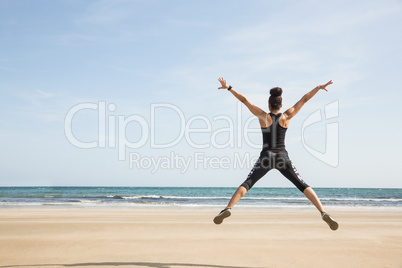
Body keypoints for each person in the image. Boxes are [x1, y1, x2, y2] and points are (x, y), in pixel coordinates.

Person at [213, 77, 338, 231]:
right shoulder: (287, 116)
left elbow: (245, 100)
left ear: (269, 104)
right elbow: (304, 99)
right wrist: (318, 87)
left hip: (266, 157)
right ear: (281, 105)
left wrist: (229, 88)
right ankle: (323, 212)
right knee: (302, 184)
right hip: (282, 158)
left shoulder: (263, 116)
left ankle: (228, 208)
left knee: (248, 182)